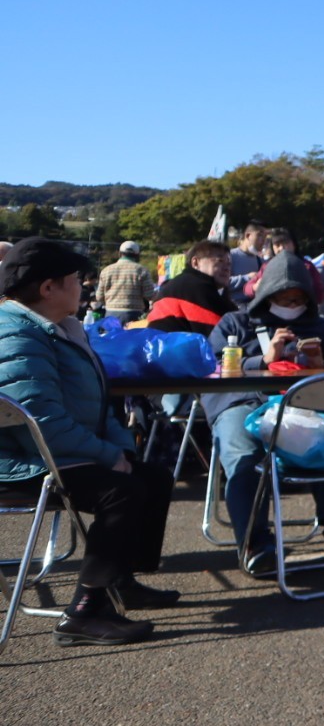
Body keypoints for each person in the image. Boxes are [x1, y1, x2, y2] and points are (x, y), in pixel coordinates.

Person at [0, 238, 179, 647]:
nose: (83, 286)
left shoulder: (59, 327)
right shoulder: (15, 335)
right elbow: (39, 423)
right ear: (48, 288)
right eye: (76, 279)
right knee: (122, 490)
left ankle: (119, 581)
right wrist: (107, 455)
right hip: (22, 461)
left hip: (56, 452)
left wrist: (121, 450)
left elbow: (100, 406)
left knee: (152, 476)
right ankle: (84, 612)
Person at [206, 252, 324, 574]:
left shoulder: (321, 328)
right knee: (244, 456)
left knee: (322, 443)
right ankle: (255, 542)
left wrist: (321, 366)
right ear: (267, 294)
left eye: (298, 299)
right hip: (240, 402)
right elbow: (209, 366)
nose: (292, 305)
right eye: (284, 298)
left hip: (298, 406)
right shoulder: (235, 322)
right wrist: (262, 360)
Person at [146, 240, 234, 335]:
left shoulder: (179, 283)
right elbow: (222, 329)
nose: (227, 268)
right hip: (174, 343)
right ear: (195, 263)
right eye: (220, 261)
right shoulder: (195, 286)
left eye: (229, 263)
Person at [95, 240, 155, 323]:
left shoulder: (106, 270)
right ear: (137, 255)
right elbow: (150, 295)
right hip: (134, 314)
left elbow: (99, 297)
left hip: (111, 314)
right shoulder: (142, 270)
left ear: (120, 254)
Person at [228, 220, 269, 306]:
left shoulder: (261, 261)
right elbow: (221, 282)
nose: (263, 240)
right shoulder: (230, 256)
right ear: (248, 235)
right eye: (260, 235)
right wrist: (247, 278)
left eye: (265, 236)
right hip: (234, 307)